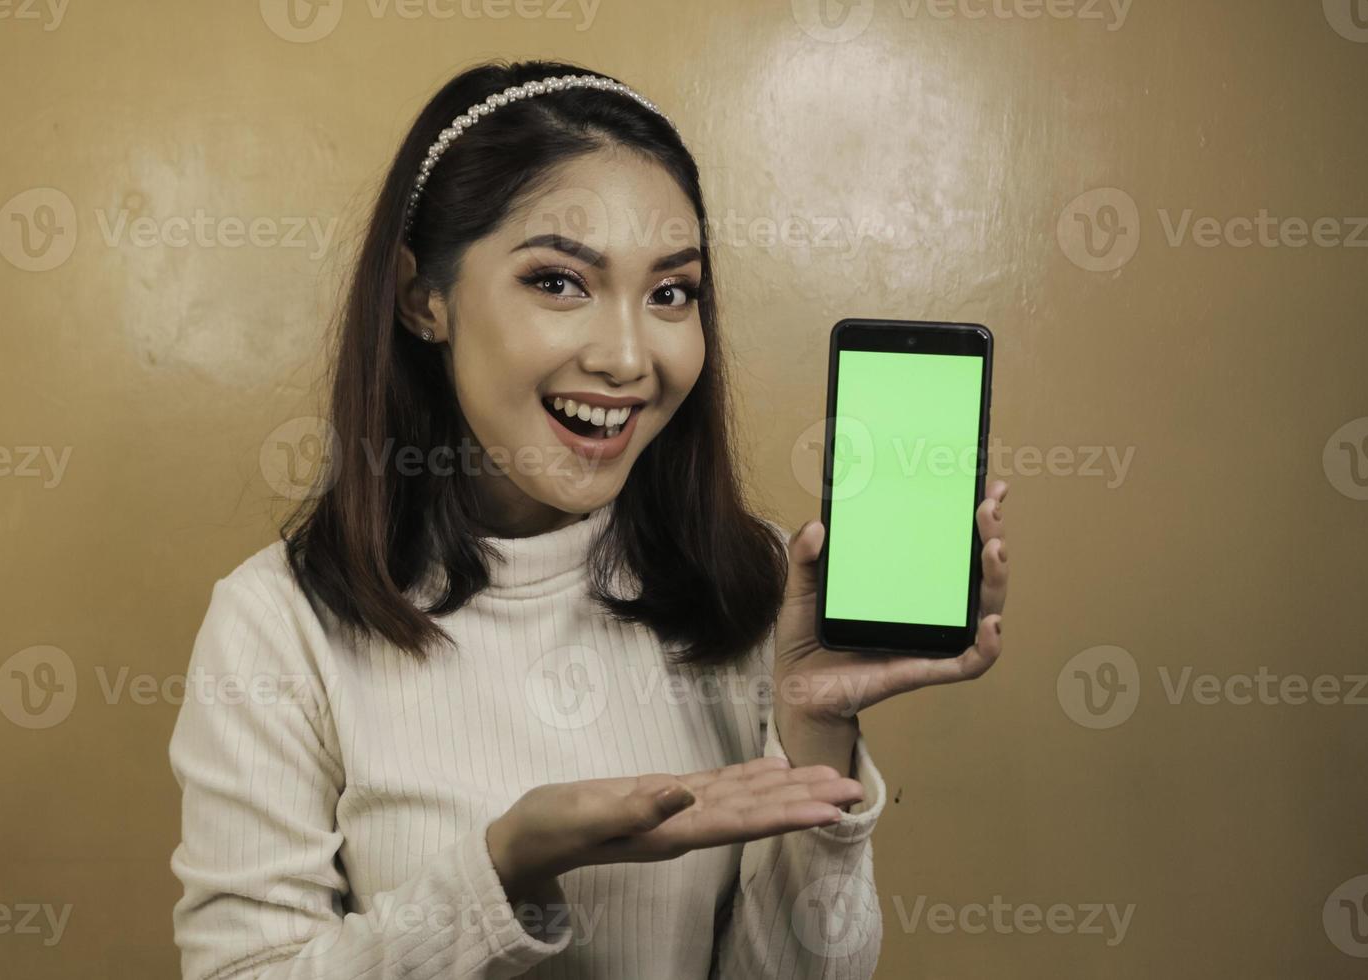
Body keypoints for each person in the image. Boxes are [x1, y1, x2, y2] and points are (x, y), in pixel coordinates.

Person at [167, 58, 1010, 979]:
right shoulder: (278, 622)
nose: (626, 356)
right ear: (423, 299)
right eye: (560, 282)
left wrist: (814, 725)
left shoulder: (762, 589)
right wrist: (505, 870)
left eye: (670, 293)